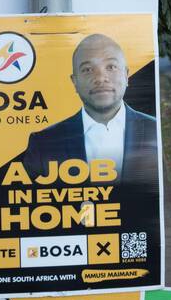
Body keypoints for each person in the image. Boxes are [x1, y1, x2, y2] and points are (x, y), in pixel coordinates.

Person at [20, 32, 157, 187]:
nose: (100, 78)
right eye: (87, 69)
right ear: (74, 82)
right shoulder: (43, 143)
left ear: (126, 76)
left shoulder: (155, 130)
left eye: (111, 67)